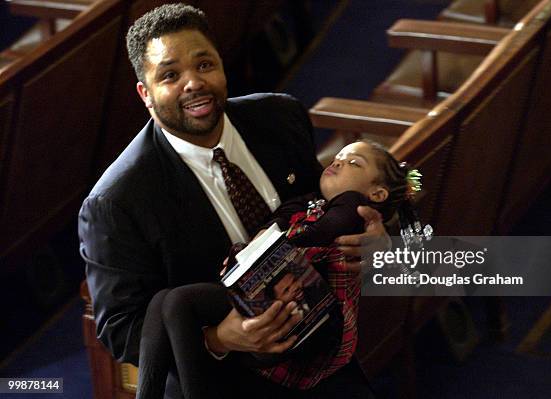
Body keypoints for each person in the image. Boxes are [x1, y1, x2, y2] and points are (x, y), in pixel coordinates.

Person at [78, 3, 388, 399]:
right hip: (222, 381)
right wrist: (219, 339)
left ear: (221, 66)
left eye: (204, 65)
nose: (193, 83)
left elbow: (327, 209)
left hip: (320, 351)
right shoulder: (116, 201)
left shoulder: (281, 116)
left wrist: (379, 240)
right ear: (146, 94)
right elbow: (121, 329)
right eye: (170, 75)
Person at [135, 140, 424, 398]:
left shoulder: (353, 206)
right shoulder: (314, 202)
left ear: (377, 194)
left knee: (179, 301)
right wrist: (259, 244)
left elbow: (318, 232)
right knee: (165, 301)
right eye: (339, 155)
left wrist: (263, 246)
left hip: (314, 322)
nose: (338, 161)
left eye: (353, 163)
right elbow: (278, 220)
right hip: (281, 305)